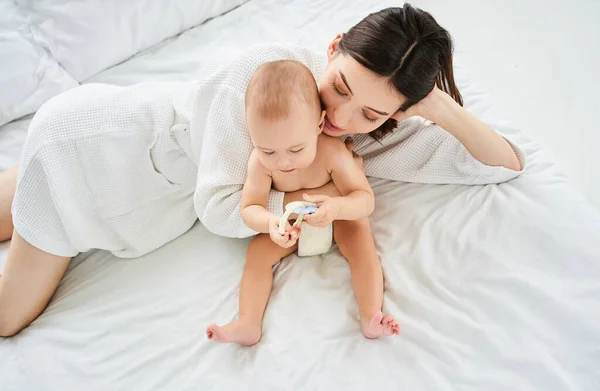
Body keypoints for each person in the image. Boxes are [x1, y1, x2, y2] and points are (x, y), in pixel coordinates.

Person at [0, 4, 524, 337]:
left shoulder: (373, 131)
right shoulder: (266, 75)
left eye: (371, 111)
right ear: (333, 47)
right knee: (7, 321)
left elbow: (501, 166)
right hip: (99, 149)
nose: (341, 119)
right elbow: (222, 208)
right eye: (340, 87)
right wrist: (316, 207)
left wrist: (435, 106)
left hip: (119, 159)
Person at [206, 60, 400, 345]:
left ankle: (371, 315)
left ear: (319, 125)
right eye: (268, 149)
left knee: (361, 245)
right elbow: (250, 208)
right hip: (292, 228)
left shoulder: (332, 152)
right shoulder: (260, 163)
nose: (283, 161)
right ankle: (248, 323)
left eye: (296, 149)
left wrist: (336, 208)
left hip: (339, 219)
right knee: (257, 255)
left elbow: (364, 199)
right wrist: (271, 223)